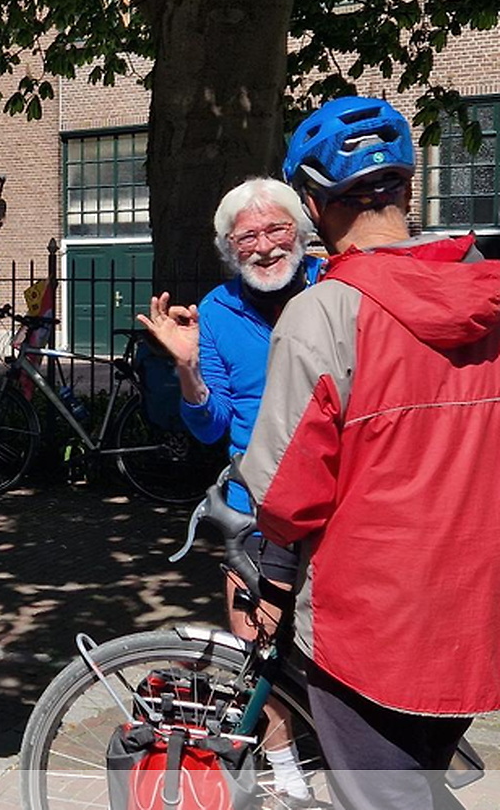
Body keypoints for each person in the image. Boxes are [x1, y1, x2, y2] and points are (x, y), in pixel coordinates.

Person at [243, 96, 500, 810]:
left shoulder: (325, 313)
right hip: (475, 613)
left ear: (310, 203)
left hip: (373, 626)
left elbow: (285, 491)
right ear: (409, 188)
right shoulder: (488, 293)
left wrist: (267, 566)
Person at [137, 178, 322, 805]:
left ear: (302, 233)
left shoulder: (335, 287)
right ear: (228, 248)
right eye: (247, 236)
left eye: (276, 230)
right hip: (256, 504)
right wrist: (187, 366)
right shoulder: (216, 312)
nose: (265, 247)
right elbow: (210, 423)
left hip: (339, 499)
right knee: (257, 647)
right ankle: (289, 774)